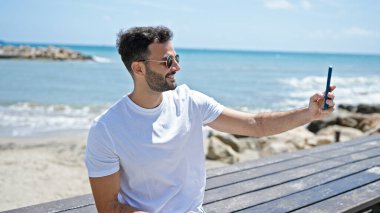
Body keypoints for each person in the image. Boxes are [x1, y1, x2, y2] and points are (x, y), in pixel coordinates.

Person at [85, 26, 336, 213]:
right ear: (138, 68)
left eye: (177, 58)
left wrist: (308, 113)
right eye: (167, 61)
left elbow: (257, 125)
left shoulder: (190, 102)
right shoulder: (106, 129)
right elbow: (109, 208)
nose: (177, 67)